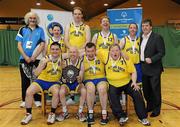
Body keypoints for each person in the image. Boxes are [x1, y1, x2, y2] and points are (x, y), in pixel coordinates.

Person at [103, 44, 150, 126]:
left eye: (117, 50)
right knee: (112, 95)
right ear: (109, 52)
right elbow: (92, 50)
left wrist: (134, 82)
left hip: (126, 82)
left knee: (137, 92)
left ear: (120, 51)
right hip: (113, 84)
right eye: (113, 50)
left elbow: (133, 71)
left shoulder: (125, 58)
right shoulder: (106, 57)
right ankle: (121, 116)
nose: (115, 52)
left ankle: (142, 117)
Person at [20, 42, 62, 125]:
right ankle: (28, 114)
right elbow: (35, 73)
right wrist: (42, 65)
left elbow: (75, 52)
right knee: (28, 92)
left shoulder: (62, 58)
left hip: (54, 82)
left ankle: (52, 113)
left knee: (56, 92)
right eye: (53, 49)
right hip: (41, 81)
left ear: (60, 50)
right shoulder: (44, 59)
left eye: (57, 49)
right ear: (50, 50)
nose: (55, 51)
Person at [15, 11, 45, 108]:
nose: (32, 20)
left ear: (37, 20)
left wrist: (34, 57)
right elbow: (19, 45)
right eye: (31, 18)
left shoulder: (40, 30)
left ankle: (37, 100)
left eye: (34, 18)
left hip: (36, 59)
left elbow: (42, 44)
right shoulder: (22, 29)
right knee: (25, 80)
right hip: (24, 59)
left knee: (36, 80)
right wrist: (26, 57)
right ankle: (24, 100)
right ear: (28, 19)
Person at [64, 6, 91, 104]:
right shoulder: (68, 26)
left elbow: (87, 41)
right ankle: (71, 97)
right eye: (75, 14)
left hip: (82, 52)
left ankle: (83, 97)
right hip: (71, 53)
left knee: (82, 73)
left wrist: (78, 52)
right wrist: (72, 51)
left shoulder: (86, 27)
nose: (77, 16)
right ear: (72, 15)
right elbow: (66, 40)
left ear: (82, 15)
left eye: (79, 14)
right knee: (70, 73)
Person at [140, 19, 165, 117]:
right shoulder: (141, 38)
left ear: (151, 27)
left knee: (155, 90)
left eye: (146, 25)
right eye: (143, 26)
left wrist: (152, 59)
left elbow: (161, 52)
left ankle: (156, 109)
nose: (144, 28)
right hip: (144, 68)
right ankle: (149, 106)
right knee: (146, 90)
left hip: (154, 68)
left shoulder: (157, 37)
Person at [56, 47, 86, 122]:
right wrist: (62, 78)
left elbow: (81, 74)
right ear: (68, 54)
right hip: (67, 83)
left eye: (74, 52)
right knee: (61, 91)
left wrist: (80, 78)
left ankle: (80, 112)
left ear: (78, 54)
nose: (73, 54)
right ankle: (65, 111)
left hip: (76, 83)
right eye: (71, 52)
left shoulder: (81, 62)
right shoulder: (64, 62)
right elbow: (61, 74)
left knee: (84, 91)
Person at [83, 42, 109, 125]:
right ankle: (90, 113)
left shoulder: (101, 56)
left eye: (92, 51)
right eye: (88, 51)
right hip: (88, 79)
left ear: (95, 51)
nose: (90, 53)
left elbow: (112, 53)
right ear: (85, 52)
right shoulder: (82, 59)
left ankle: (104, 112)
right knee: (90, 88)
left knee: (102, 89)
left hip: (101, 78)